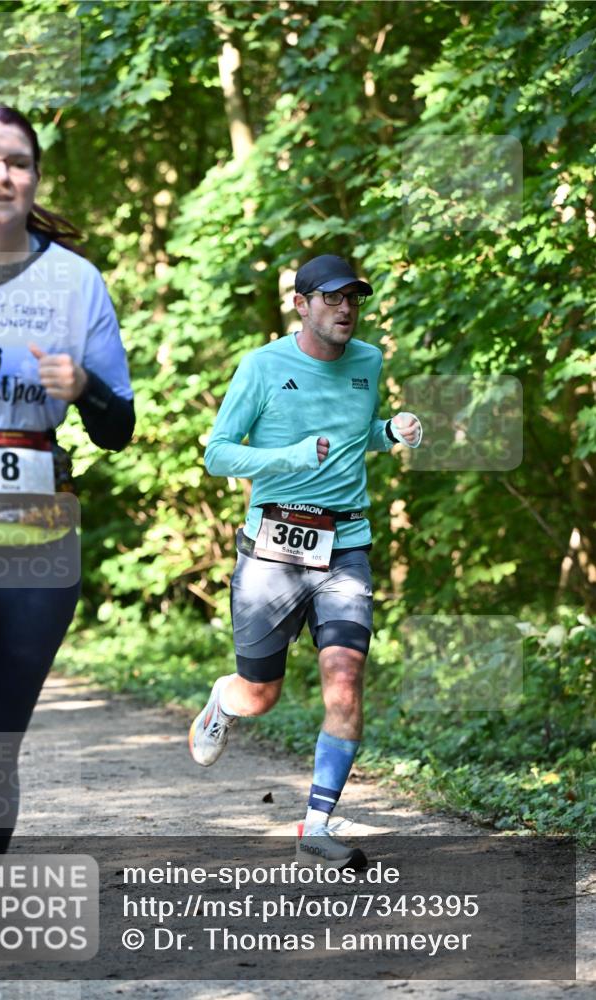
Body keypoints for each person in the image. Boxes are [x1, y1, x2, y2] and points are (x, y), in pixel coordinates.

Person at [0, 106, 134, 999]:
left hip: (31, 544)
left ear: (35, 179)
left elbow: (120, 427)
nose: (1, 176)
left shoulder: (78, 283)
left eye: (18, 162)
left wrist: (81, 386)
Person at [189, 254, 421, 870]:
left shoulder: (368, 361)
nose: (346, 310)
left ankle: (316, 824)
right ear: (303, 304)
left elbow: (358, 433)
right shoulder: (263, 366)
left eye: (355, 300)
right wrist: (290, 457)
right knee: (260, 694)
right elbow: (216, 455)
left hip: (345, 545)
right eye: (333, 299)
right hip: (274, 546)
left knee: (345, 679)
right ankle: (224, 699)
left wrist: (391, 433)